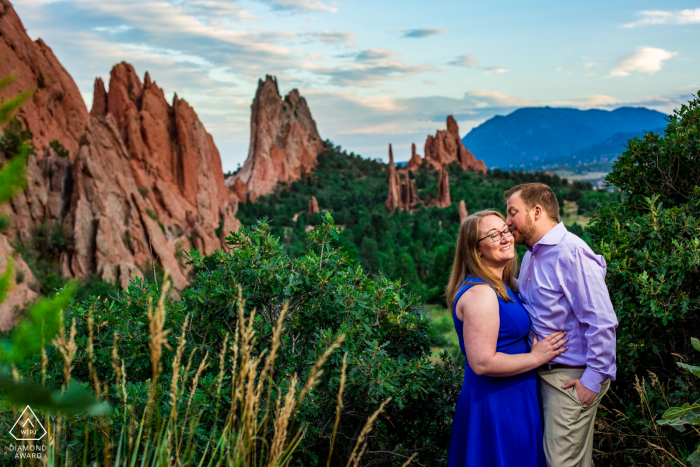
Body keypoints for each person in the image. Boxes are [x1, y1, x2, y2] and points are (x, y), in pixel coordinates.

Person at [505, 183, 618, 467]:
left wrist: (591, 382)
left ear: (537, 212)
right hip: (544, 374)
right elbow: (535, 303)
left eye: (512, 212)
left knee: (560, 463)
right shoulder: (533, 253)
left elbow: (601, 320)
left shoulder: (571, 252)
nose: (508, 222)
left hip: (570, 378)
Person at [446, 209, 568, 467]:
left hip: (517, 396)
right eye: (493, 235)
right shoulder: (481, 293)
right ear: (475, 249)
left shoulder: (503, 284)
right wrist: (536, 357)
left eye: (505, 230)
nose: (505, 238)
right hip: (497, 403)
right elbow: (482, 363)